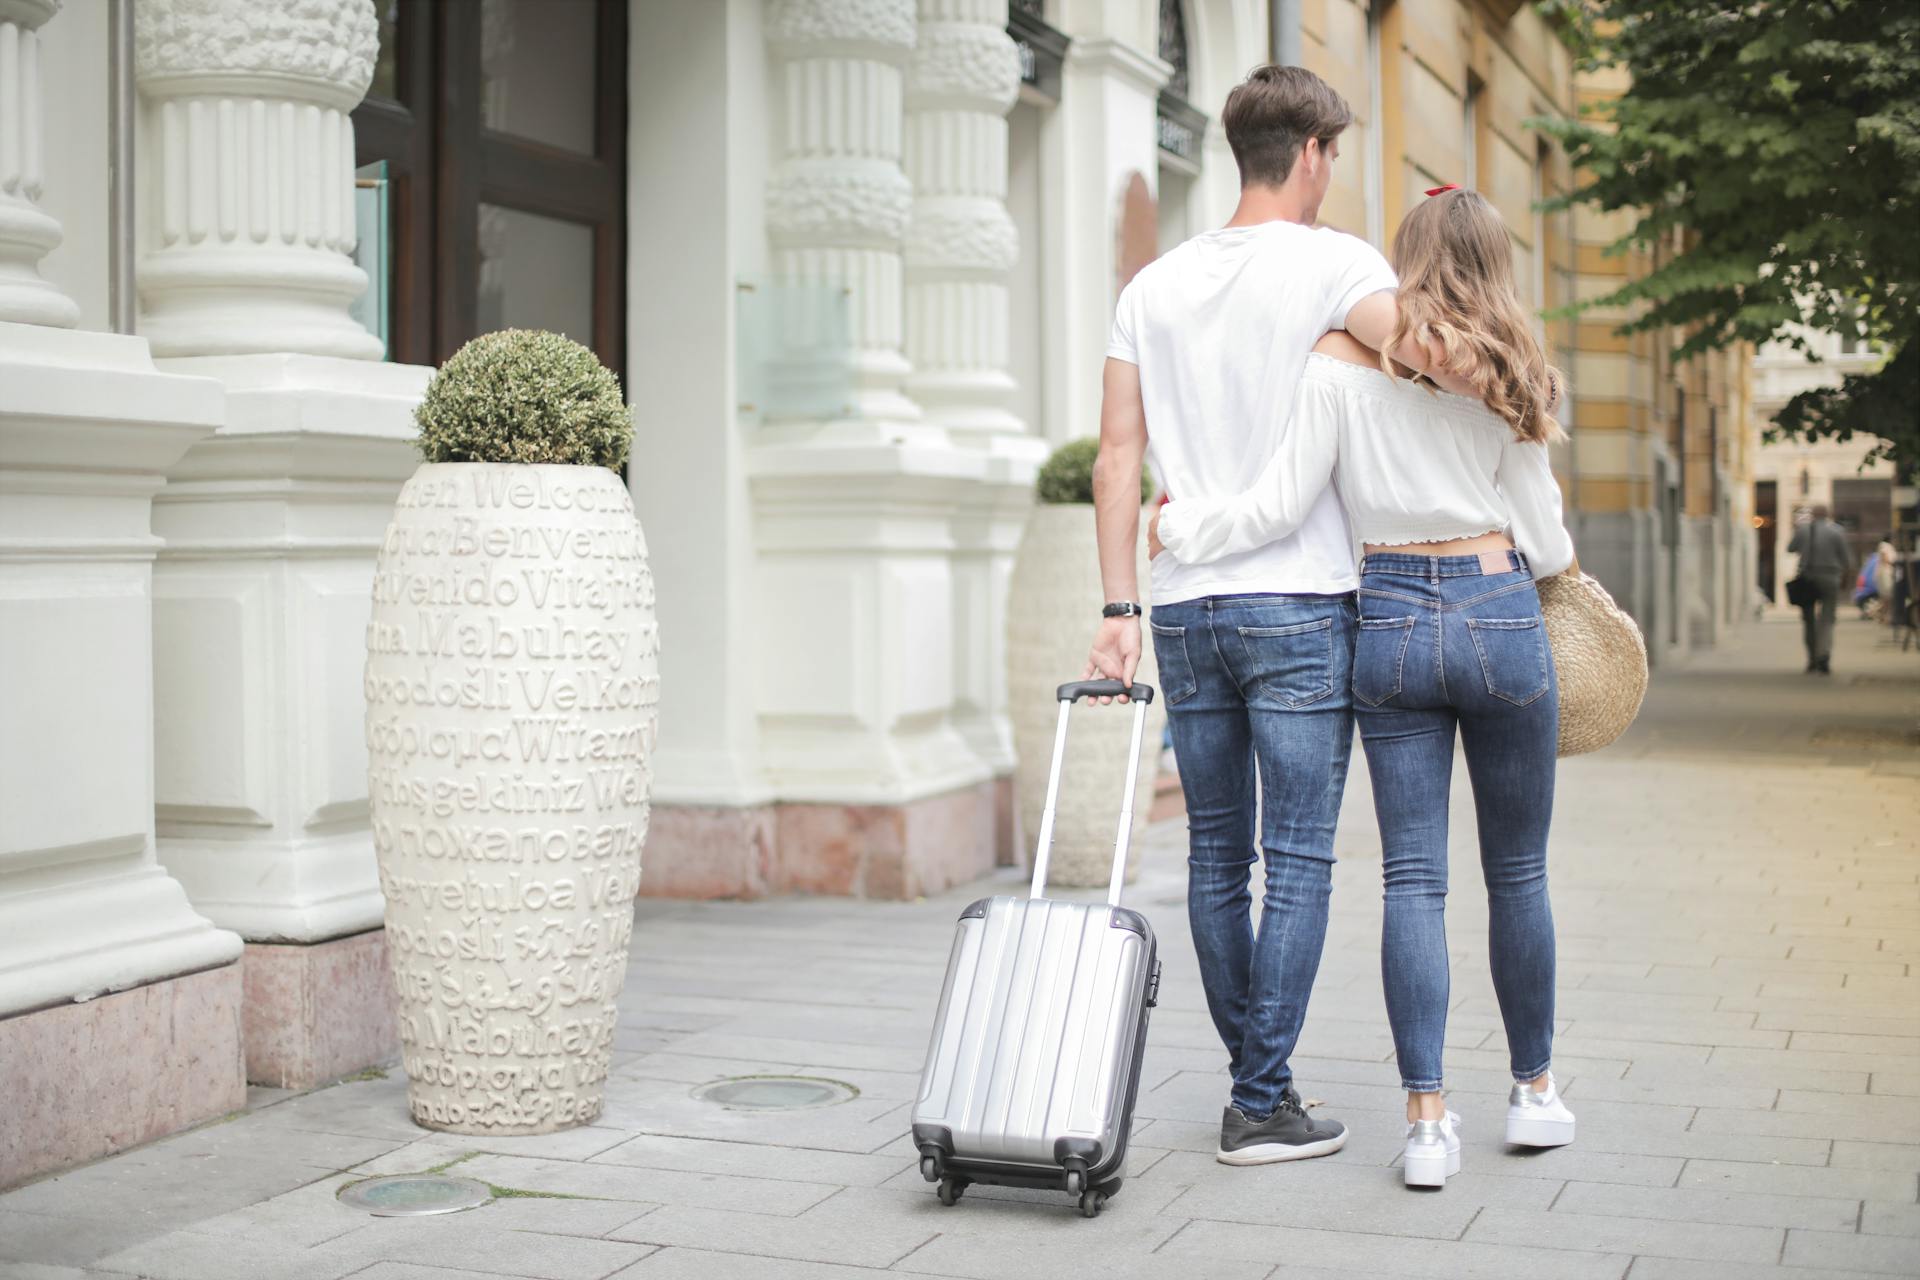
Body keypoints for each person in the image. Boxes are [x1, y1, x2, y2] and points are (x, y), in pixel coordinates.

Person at [1149, 186, 1581, 1189]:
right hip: (1497, 605)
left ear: (1403, 260)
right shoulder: (1512, 372)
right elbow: (1549, 539)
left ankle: (1427, 1125)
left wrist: (1181, 528)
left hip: (1385, 619)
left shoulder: (1339, 365)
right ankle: (1534, 1090)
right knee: (1519, 871)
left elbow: (1279, 504)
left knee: (1412, 880)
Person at [1082, 64, 1471, 1167]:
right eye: (1333, 154)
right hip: (1301, 599)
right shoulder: (1338, 264)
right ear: (1310, 152)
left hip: (1189, 603)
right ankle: (1260, 1101)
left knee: (1215, 856)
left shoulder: (1150, 287)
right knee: (1295, 858)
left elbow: (1119, 458)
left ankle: (1261, 1084)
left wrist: (1119, 605)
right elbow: (1429, 355)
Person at [1788, 506, 1852, 673]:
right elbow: (1846, 559)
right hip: (1830, 577)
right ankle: (1824, 654)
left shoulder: (1803, 530)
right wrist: (1845, 578)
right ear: (1828, 515)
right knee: (1827, 618)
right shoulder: (1837, 532)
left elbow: (1790, 548)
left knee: (1809, 621)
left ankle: (1812, 658)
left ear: (1813, 515)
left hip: (1807, 578)